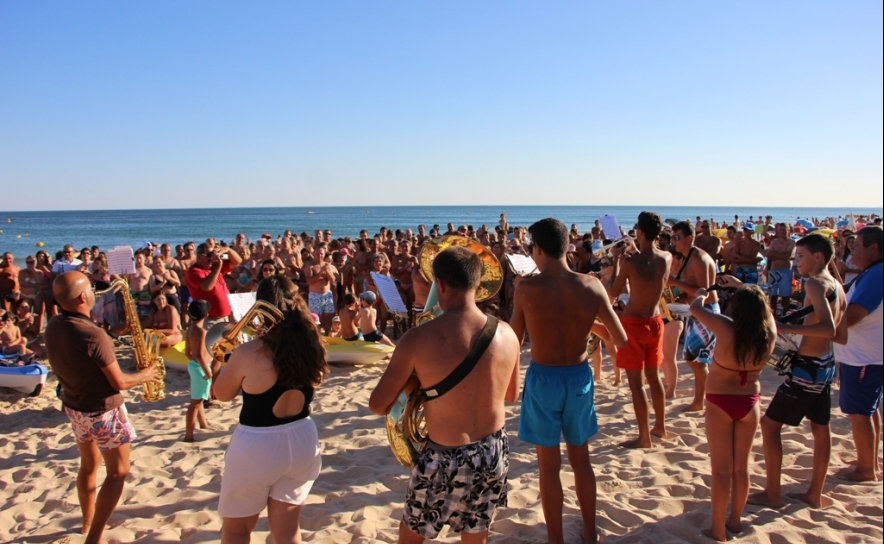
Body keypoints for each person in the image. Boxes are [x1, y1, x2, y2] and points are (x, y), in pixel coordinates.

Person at [369, 246, 521, 544]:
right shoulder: (507, 333)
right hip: (493, 451)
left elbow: (378, 405)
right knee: (476, 530)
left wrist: (416, 383)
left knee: (411, 533)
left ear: (439, 285)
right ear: (479, 283)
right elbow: (512, 395)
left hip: (444, 457)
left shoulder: (418, 339)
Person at [510, 218, 627, 544]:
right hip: (578, 377)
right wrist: (583, 322)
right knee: (581, 461)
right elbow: (620, 338)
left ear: (538, 249)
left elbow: (513, 341)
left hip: (544, 377)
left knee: (549, 467)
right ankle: (591, 533)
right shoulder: (591, 286)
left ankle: (556, 539)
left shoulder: (527, 288)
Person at [44, 271, 158, 544]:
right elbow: (118, 381)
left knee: (88, 465)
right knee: (118, 472)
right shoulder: (93, 335)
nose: (96, 294)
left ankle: (86, 523)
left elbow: (83, 352)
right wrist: (146, 374)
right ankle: (94, 537)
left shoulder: (55, 324)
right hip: (103, 410)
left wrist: (113, 334)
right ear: (84, 297)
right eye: (91, 291)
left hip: (75, 406)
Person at [213, 275, 325, 544]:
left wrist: (227, 360)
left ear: (259, 306)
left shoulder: (250, 351)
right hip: (303, 439)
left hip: (258, 443)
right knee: (287, 533)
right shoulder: (312, 343)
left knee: (237, 531)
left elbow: (222, 394)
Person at [748, 234, 846, 509]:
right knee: (820, 428)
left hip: (808, 369)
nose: (795, 261)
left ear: (818, 257)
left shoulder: (814, 283)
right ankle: (814, 493)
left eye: (800, 256)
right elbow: (841, 336)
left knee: (769, 425)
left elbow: (829, 329)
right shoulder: (837, 286)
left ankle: (773, 493)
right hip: (826, 365)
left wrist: (787, 329)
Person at [689, 285, 775, 541]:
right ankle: (735, 522)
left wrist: (702, 293)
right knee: (741, 469)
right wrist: (748, 290)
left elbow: (695, 308)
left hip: (720, 400)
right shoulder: (768, 333)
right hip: (750, 400)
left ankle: (717, 529)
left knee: (721, 471)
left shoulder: (726, 327)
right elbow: (767, 313)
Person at [606, 212, 670, 448]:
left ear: (640, 232)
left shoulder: (631, 262)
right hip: (656, 320)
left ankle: (644, 437)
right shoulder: (667, 257)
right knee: (654, 378)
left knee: (636, 384)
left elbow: (613, 292)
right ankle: (660, 427)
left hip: (634, 323)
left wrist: (615, 260)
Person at [833, 226, 883, 482]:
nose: (853, 249)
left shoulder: (876, 275)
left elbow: (852, 316)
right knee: (869, 410)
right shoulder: (873, 273)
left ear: (874, 248)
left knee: (860, 412)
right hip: (868, 355)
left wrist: (823, 320)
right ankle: (869, 461)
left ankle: (866, 469)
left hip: (865, 357)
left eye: (857, 245)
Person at [668, 221, 719, 412]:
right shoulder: (688, 257)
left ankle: (701, 402)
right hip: (695, 312)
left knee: (698, 360)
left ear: (689, 238)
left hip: (705, 312)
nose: (673, 241)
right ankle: (700, 401)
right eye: (672, 237)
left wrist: (675, 282)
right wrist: (680, 297)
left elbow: (704, 292)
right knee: (693, 359)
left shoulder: (698, 257)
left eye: (676, 237)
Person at [184, 300, 212, 442]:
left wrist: (195, 362)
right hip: (201, 368)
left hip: (194, 365)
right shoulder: (202, 332)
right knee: (195, 403)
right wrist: (208, 372)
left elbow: (187, 352)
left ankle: (203, 423)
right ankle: (188, 435)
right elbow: (201, 355)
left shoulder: (190, 328)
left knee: (199, 398)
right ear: (206, 315)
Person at [305, 244, 337, 335]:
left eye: (321, 254)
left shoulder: (327, 265)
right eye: (317, 254)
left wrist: (326, 271)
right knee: (316, 318)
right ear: (314, 254)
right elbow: (309, 280)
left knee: (328, 316)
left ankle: (327, 334)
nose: (320, 256)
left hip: (327, 295)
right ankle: (317, 336)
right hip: (315, 295)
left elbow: (333, 280)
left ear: (324, 254)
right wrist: (321, 272)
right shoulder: (310, 265)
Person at [766, 223, 796, 317]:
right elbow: (769, 255)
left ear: (789, 230)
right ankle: (772, 318)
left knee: (785, 297)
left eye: (784, 230)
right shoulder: (774, 242)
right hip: (774, 270)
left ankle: (785, 318)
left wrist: (776, 254)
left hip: (786, 270)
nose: (782, 232)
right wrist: (782, 256)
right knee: (772, 297)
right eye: (780, 230)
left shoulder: (791, 242)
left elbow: (788, 256)